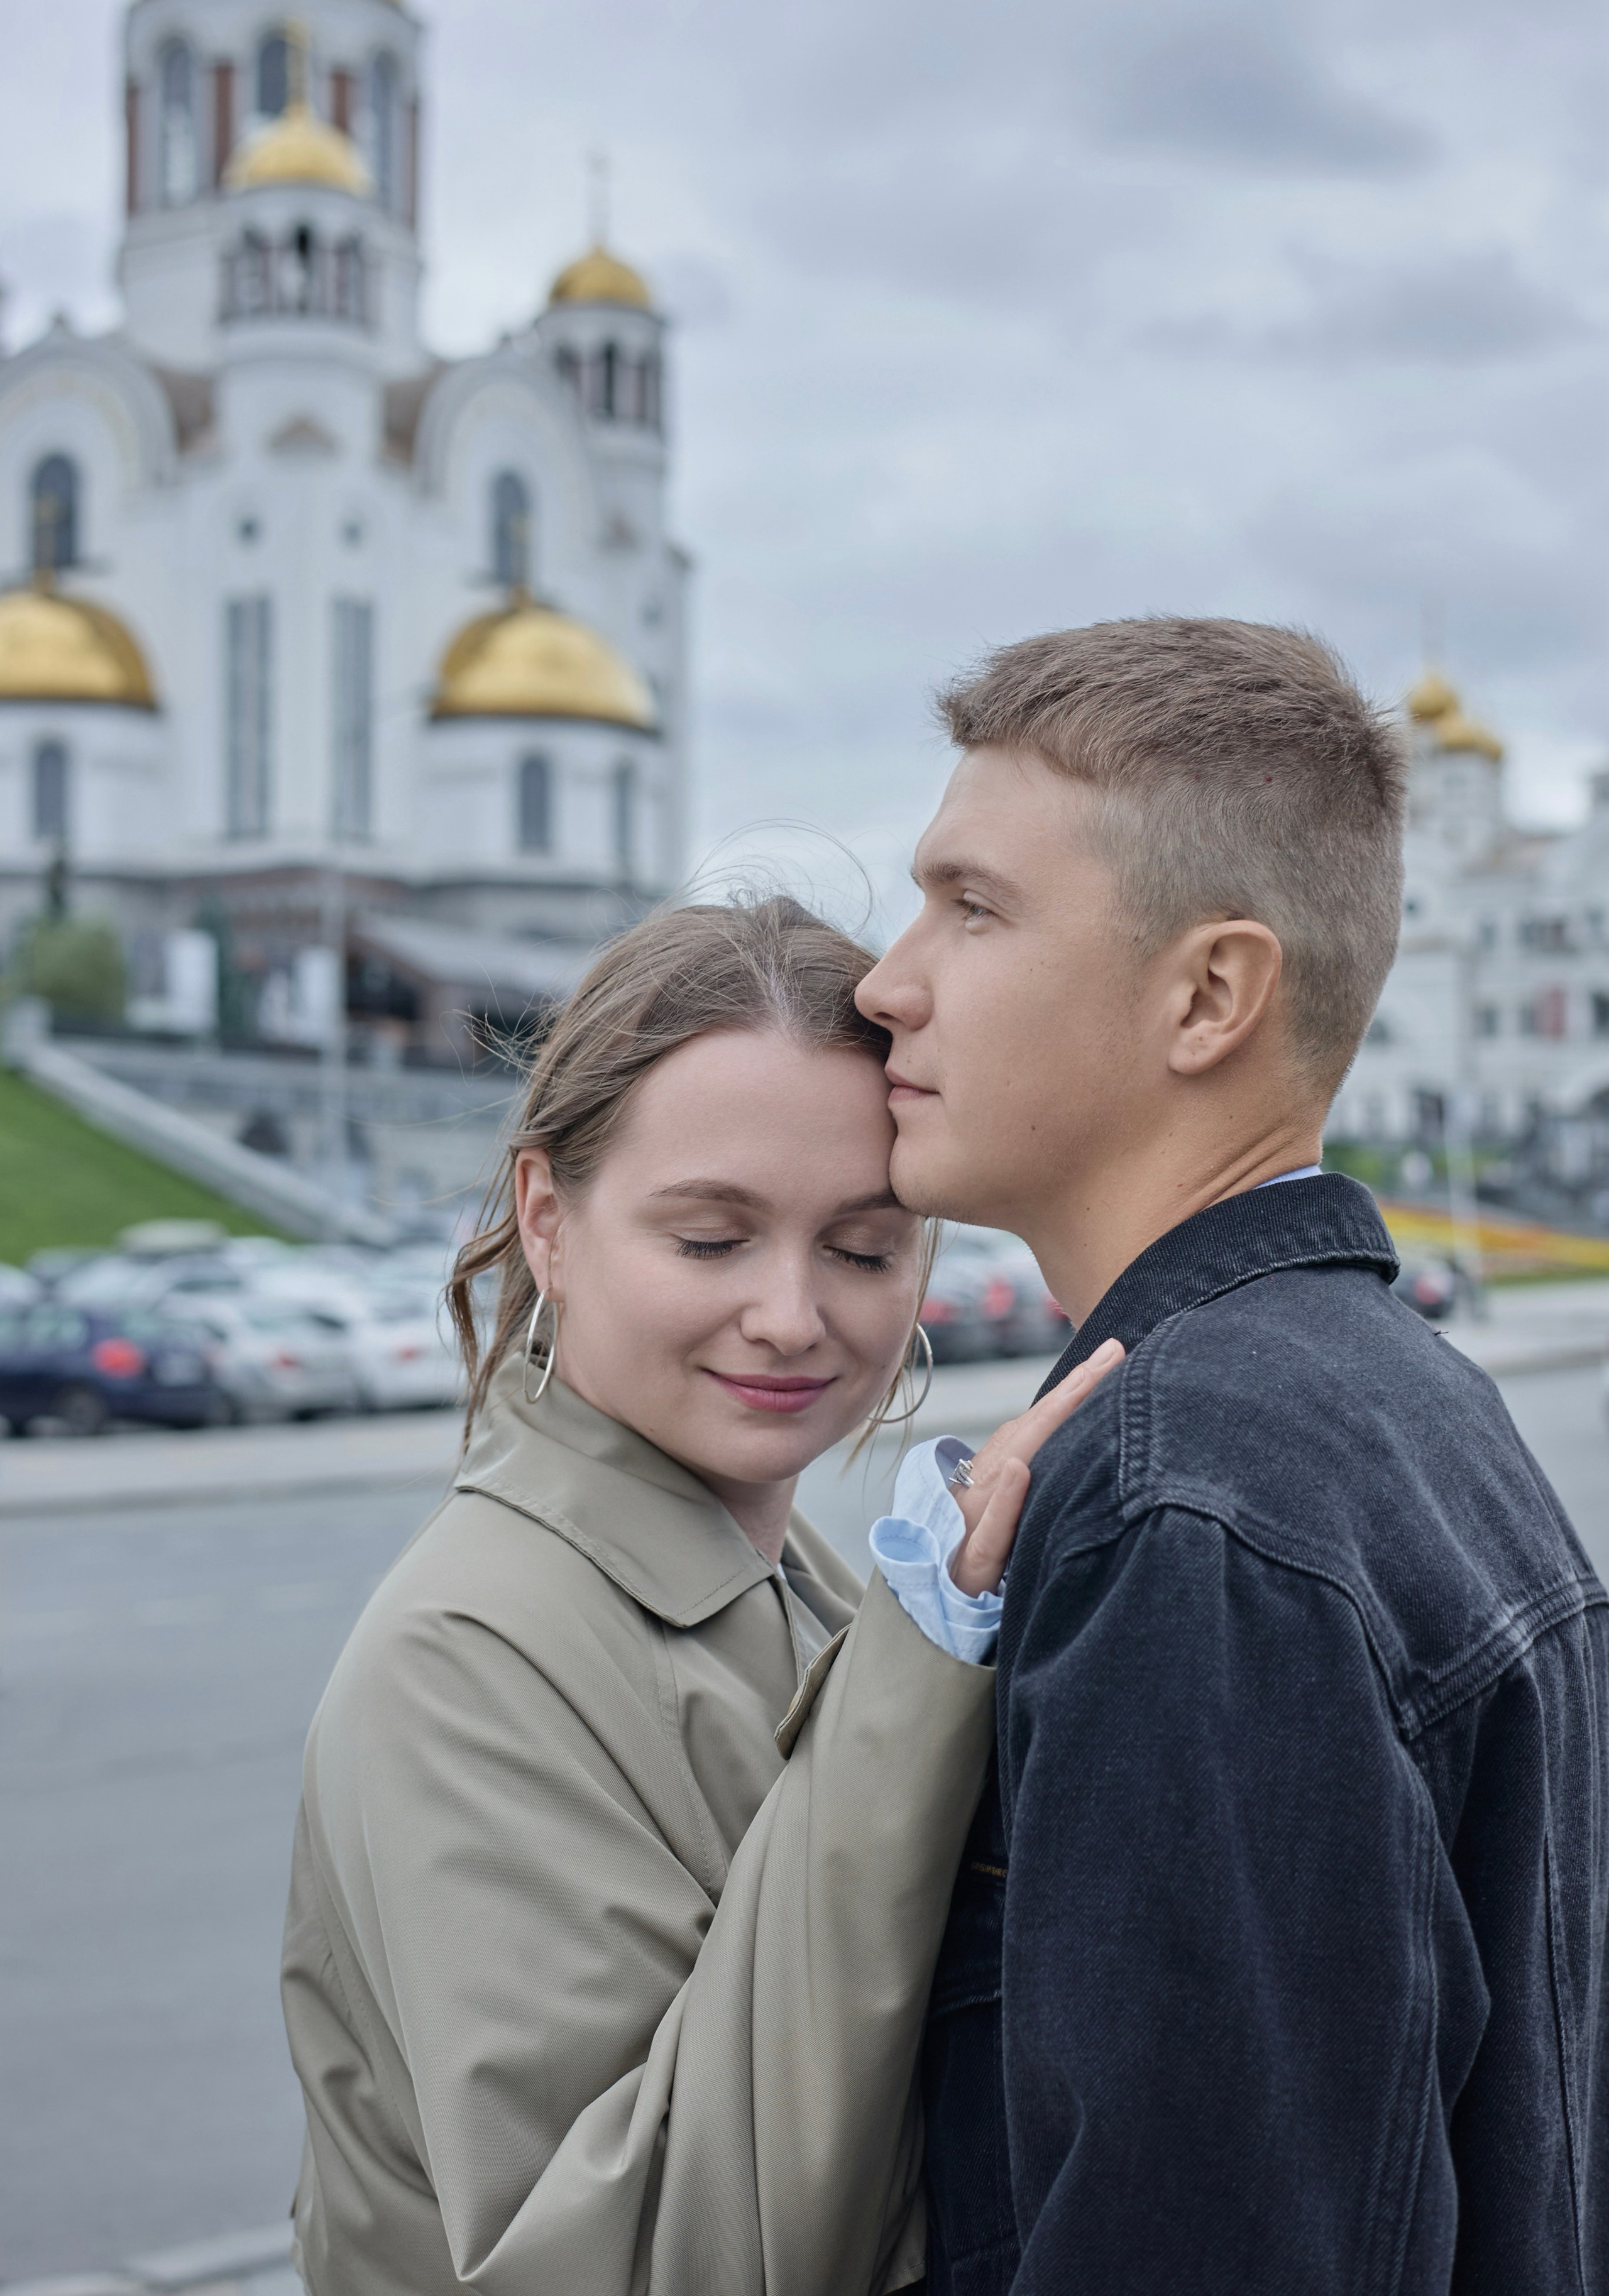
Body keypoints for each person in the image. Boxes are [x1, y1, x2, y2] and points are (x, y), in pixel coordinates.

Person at [857, 618, 1609, 2295]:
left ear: (1207, 994)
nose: (886, 979)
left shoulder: (1185, 1496)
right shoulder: (1413, 1404)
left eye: (971, 908)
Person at [280, 895, 1121, 2296]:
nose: (793, 1316)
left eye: (861, 1248)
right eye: (710, 1239)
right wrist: (920, 1673)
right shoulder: (469, 1656)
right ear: (548, 1221)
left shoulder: (793, 1579)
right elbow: (637, 2259)